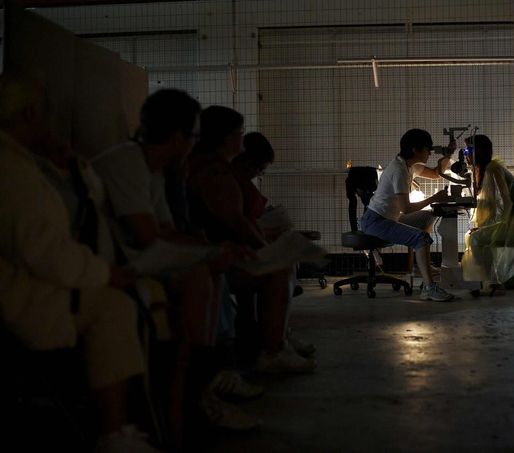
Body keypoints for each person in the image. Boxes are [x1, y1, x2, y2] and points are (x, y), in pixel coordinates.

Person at [0, 74, 158, 452]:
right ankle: (115, 431)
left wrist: (71, 166)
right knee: (116, 306)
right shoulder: (11, 171)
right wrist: (104, 274)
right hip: (25, 297)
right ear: (29, 114)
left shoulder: (24, 165)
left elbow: (84, 204)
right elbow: (45, 251)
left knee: (140, 297)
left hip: (33, 283)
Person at [90, 90, 259, 442]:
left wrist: (215, 248)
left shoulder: (153, 170)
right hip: (115, 262)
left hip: (140, 255)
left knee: (211, 266)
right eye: (194, 136)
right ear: (179, 137)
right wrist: (208, 251)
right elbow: (148, 234)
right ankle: (195, 390)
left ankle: (199, 384)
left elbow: (169, 232)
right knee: (199, 276)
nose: (195, 144)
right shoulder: (127, 163)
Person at [186, 106, 316, 373]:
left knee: (283, 260)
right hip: (219, 254)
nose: (242, 141)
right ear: (225, 137)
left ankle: (277, 336)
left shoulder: (216, 170)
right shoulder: (216, 174)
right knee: (280, 267)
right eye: (239, 134)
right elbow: (237, 223)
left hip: (223, 249)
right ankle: (273, 350)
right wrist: (265, 249)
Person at [360, 128, 454, 301]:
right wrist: (434, 198)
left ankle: (422, 263)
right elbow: (407, 208)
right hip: (375, 222)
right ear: (414, 150)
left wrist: (449, 155)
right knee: (421, 238)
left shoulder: (409, 166)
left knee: (427, 216)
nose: (429, 153)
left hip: (388, 218)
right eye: (427, 149)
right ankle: (429, 288)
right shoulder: (400, 170)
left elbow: (435, 174)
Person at [460, 134, 514, 291]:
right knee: (470, 235)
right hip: (508, 220)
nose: (466, 156)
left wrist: (485, 226)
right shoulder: (485, 170)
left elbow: (505, 205)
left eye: (469, 151)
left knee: (474, 237)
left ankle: (493, 281)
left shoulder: (492, 170)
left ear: (479, 152)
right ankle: (489, 278)